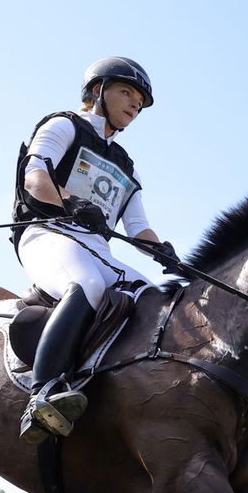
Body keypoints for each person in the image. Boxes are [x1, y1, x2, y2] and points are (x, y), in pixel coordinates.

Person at [12, 56, 178, 443]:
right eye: (126, 92)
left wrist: (164, 252)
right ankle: (43, 394)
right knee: (86, 284)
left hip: (96, 247)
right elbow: (35, 178)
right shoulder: (64, 125)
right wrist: (70, 202)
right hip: (46, 232)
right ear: (96, 91)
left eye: (139, 101)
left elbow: (137, 227)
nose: (135, 105)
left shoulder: (127, 165)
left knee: (154, 298)